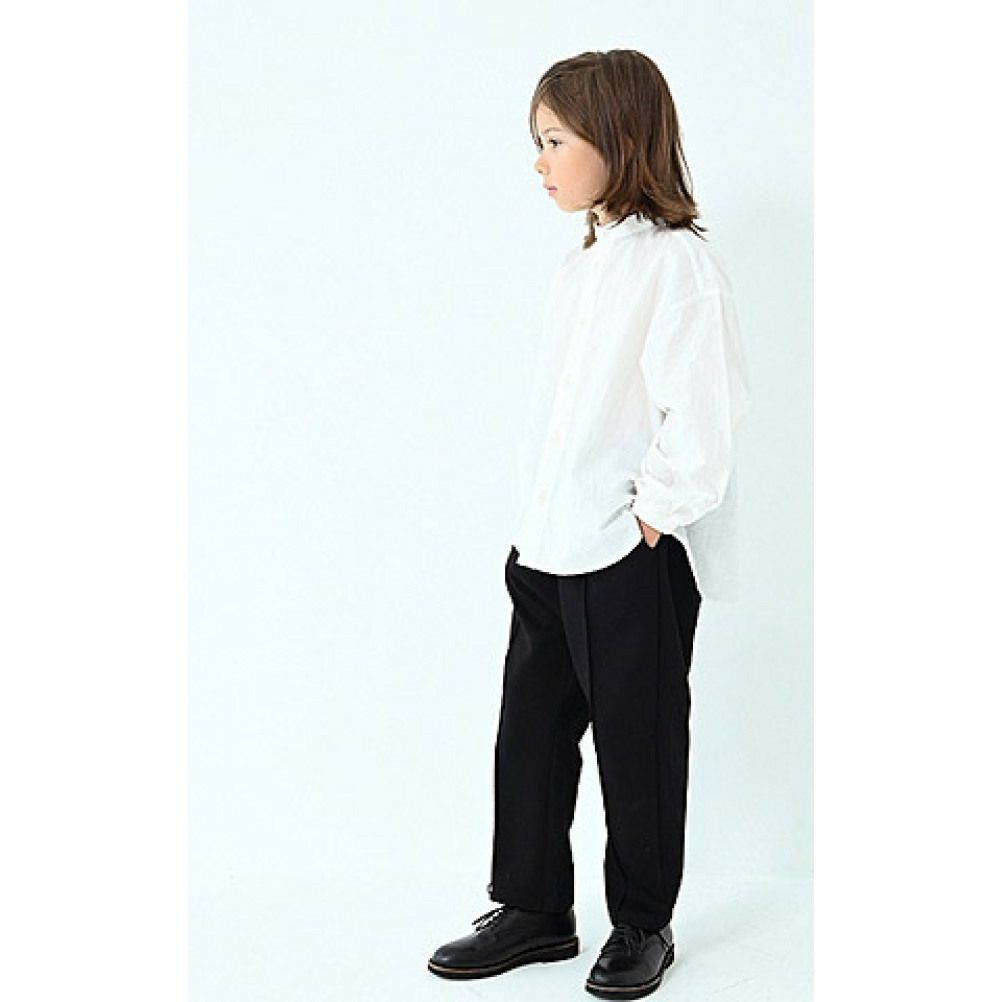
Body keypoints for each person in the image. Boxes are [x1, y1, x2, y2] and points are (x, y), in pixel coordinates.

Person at [427, 48, 752, 1000]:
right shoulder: (583, 267)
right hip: (548, 544)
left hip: (626, 553)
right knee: (529, 737)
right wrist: (536, 525)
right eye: (537, 142)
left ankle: (643, 924)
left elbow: (705, 415)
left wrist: (650, 519)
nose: (539, 162)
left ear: (617, 139)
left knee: (637, 746)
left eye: (554, 141)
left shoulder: (678, 266)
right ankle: (534, 909)